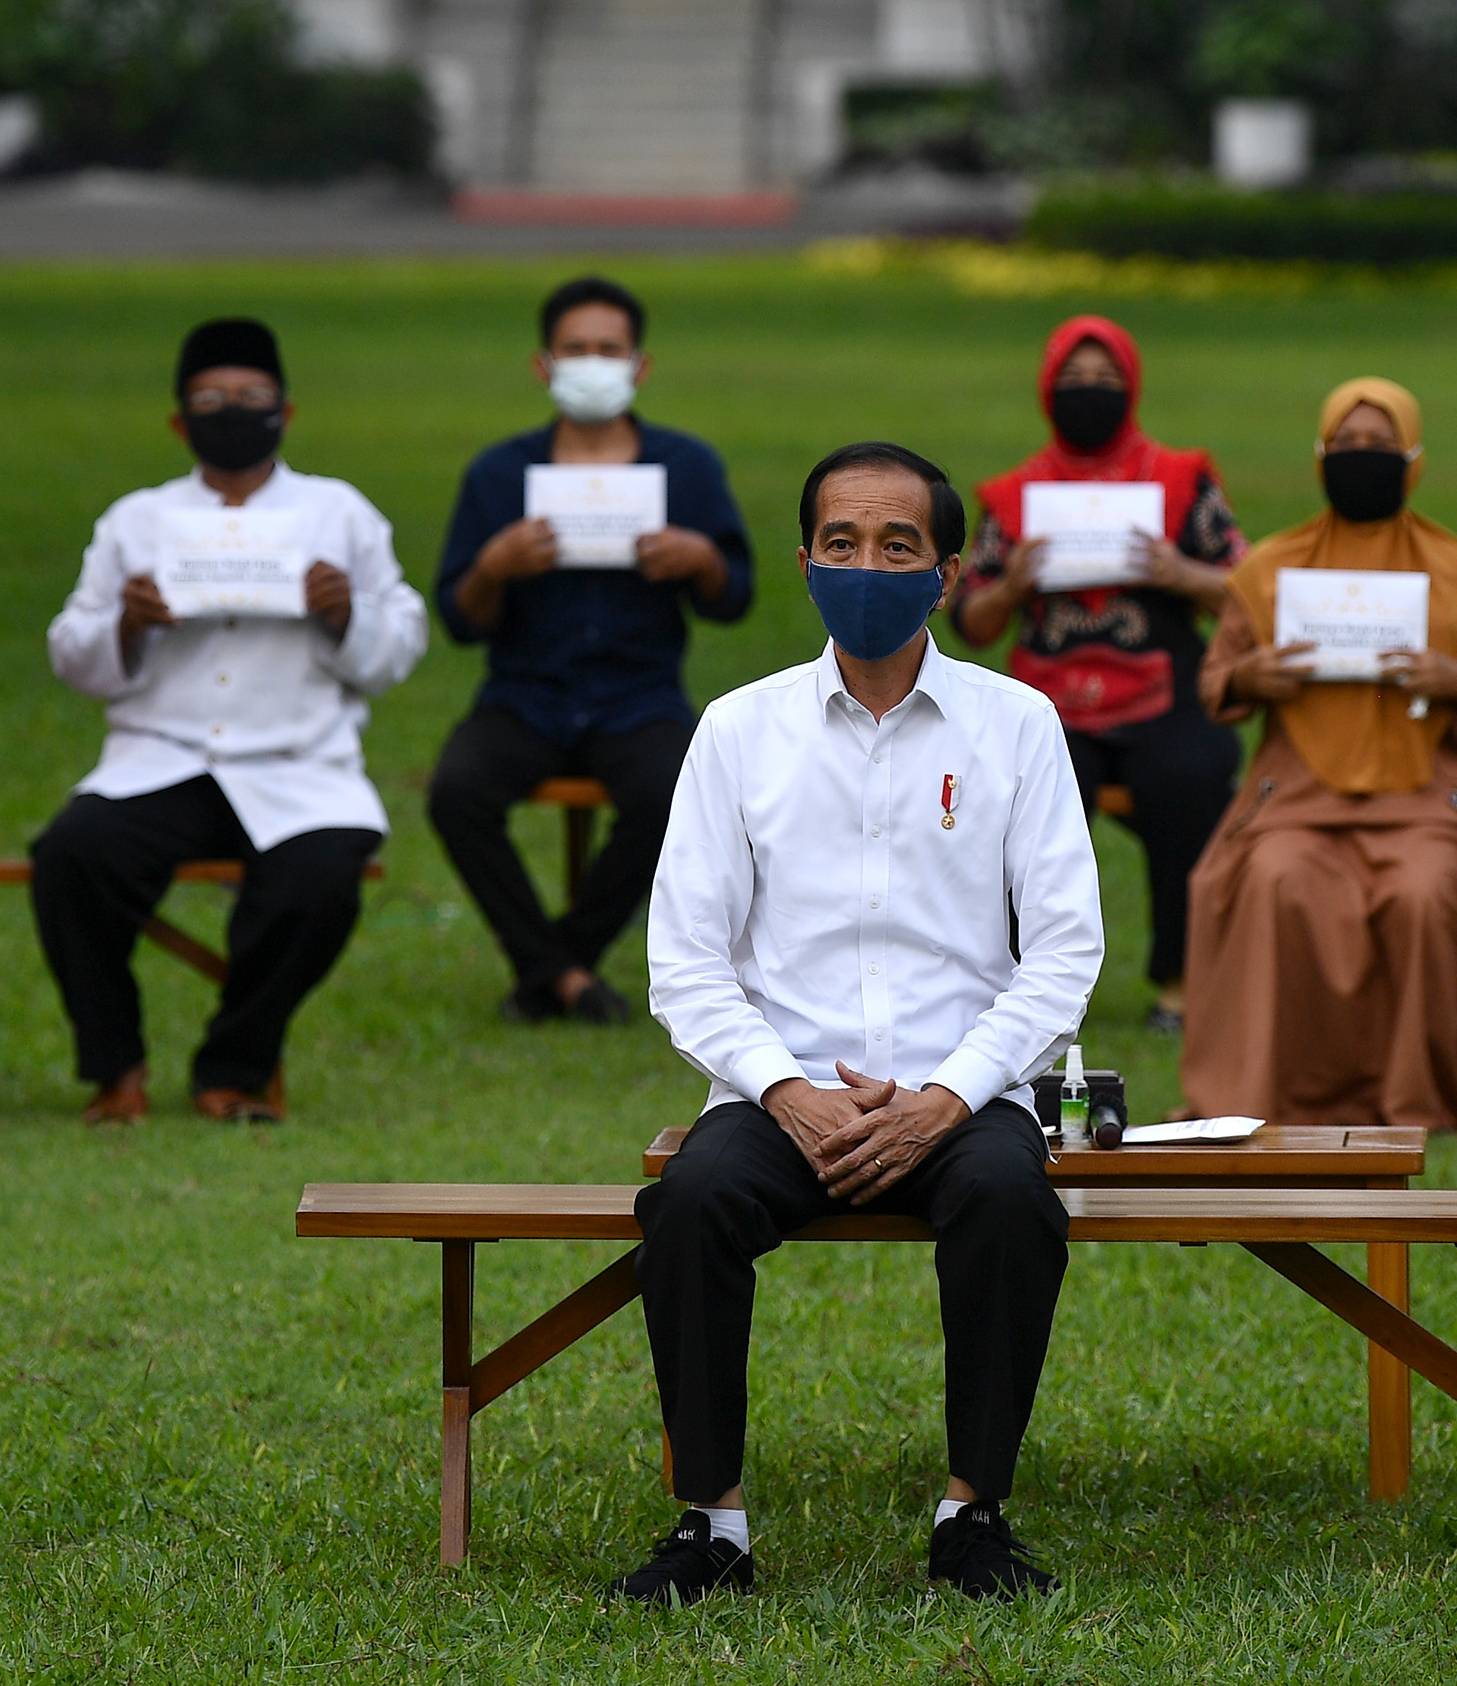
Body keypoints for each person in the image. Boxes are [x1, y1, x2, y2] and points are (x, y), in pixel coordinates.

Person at [614, 441, 1103, 1607]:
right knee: (687, 1204)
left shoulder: (1016, 723)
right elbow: (683, 961)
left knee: (1005, 1201)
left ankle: (969, 1512)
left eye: (898, 546)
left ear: (946, 572)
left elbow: (1065, 951)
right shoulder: (738, 730)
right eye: (842, 544)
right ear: (804, 562)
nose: (866, 565)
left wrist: (945, 1099)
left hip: (962, 1089)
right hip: (781, 1092)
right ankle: (712, 1522)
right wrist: (786, 1091)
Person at [38, 318, 429, 1125]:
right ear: (181, 422)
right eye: (211, 399)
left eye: (252, 397)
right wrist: (126, 624)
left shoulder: (339, 513)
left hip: (299, 764)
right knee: (73, 856)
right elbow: (71, 654)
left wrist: (346, 613)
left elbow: (398, 650)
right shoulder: (135, 520)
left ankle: (236, 1068)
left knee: (321, 882)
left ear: (286, 411)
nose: (233, 411)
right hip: (164, 758)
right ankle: (116, 1068)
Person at [1182, 377, 1457, 1130]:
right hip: (1296, 800)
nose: (1362, 459)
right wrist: (1255, 674)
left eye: (1380, 447)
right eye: (1346, 446)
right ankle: (1270, 1093)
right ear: (1320, 457)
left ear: (1412, 459)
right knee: (1277, 881)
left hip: (1426, 802)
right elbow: (1216, 682)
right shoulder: (1270, 567)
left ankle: (1418, 1099)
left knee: (1428, 892)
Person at [427, 275, 754, 1027]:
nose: (592, 362)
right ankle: (568, 975)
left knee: (676, 791)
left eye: (608, 348)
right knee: (457, 791)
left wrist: (699, 557)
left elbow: (733, 595)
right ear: (544, 365)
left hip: (639, 696)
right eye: (576, 348)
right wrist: (494, 565)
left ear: (639, 365)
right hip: (526, 693)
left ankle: (553, 963)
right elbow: (460, 615)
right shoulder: (499, 474)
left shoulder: (687, 467)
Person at [949, 314, 1245, 1033]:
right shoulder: (1014, 494)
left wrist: (1182, 572)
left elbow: (1249, 590)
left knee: (1187, 778)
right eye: (1073, 380)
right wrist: (1014, 585)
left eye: (1106, 380)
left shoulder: (1180, 479)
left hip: (1163, 692)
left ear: (1134, 386)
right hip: (1050, 704)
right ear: (1048, 389)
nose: (1090, 392)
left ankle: (1180, 980)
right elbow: (970, 620)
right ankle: (1020, 986)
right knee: (1035, 792)